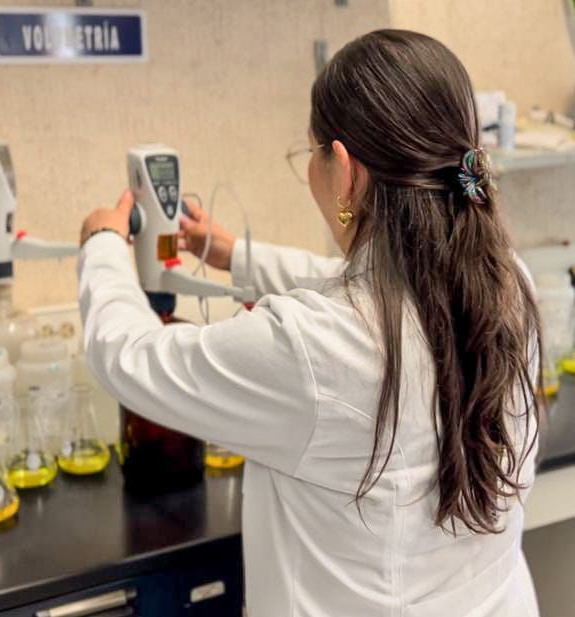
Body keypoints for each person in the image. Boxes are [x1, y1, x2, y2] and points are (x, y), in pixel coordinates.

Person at [77, 29, 542, 617]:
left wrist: (102, 245)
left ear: (345, 172)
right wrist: (234, 254)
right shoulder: (507, 282)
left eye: (312, 153)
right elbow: (370, 290)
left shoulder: (314, 348)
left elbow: (128, 356)